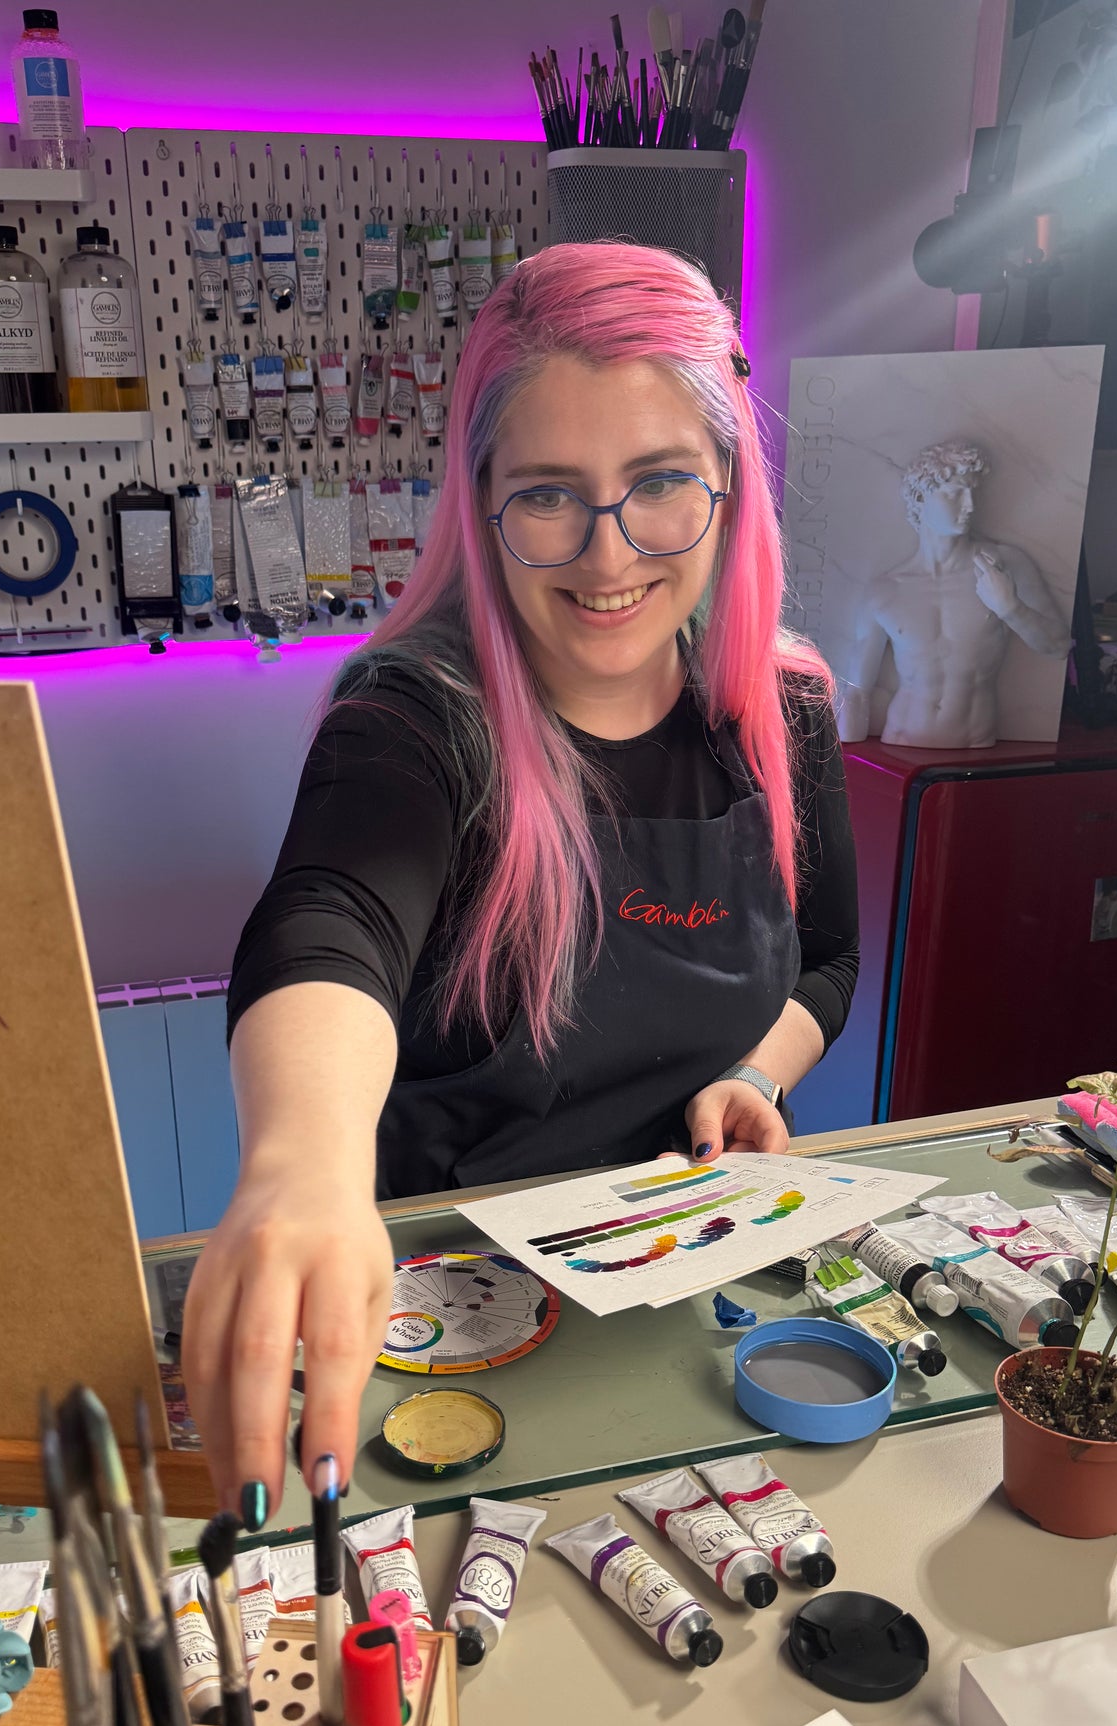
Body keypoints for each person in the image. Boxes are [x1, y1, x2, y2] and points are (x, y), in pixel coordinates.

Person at [183, 244, 860, 1524]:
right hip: (451, 1323)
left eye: (660, 483)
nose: (608, 555)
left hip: (692, 1300)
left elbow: (828, 957)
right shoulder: (415, 720)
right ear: (481, 496)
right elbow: (332, 918)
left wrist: (757, 1072)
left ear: (728, 482)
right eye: (550, 494)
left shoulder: (787, 711)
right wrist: (301, 1164)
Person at [837, 440, 1070, 749]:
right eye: (954, 494)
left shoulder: (1005, 566)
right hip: (900, 742)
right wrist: (844, 773)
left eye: (973, 492)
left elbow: (1058, 647)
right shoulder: (887, 589)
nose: (970, 505)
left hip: (974, 747)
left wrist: (1011, 609)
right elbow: (857, 691)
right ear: (920, 498)